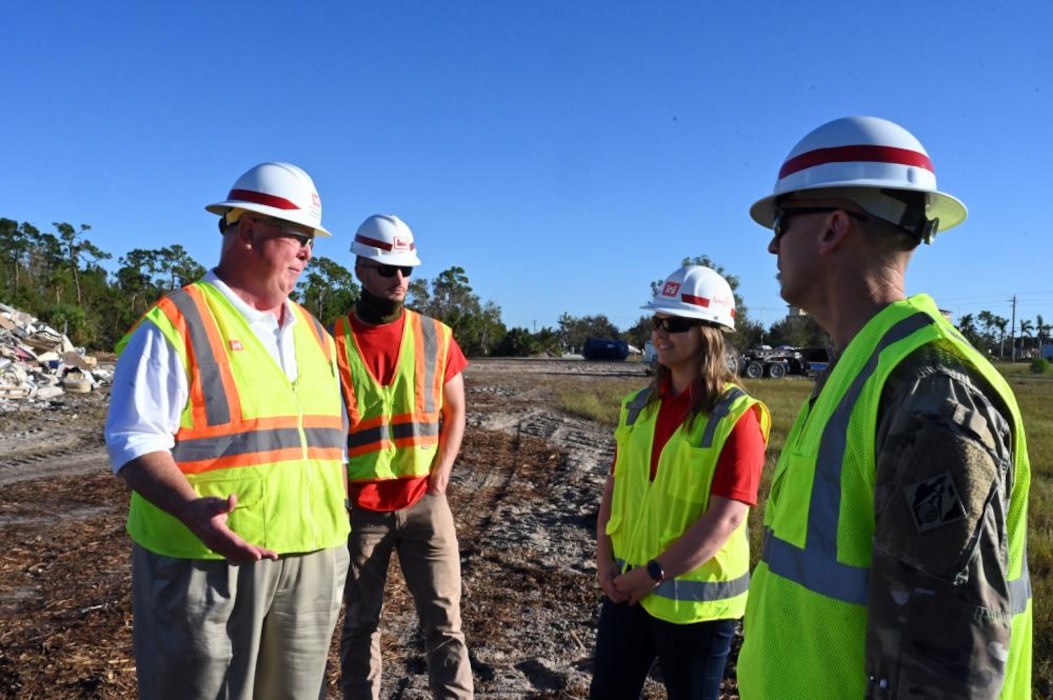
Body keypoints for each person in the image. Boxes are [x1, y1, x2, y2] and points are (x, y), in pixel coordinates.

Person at [737, 116, 1032, 699]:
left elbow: (949, 677)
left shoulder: (930, 393)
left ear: (832, 229)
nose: (771, 244)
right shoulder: (861, 366)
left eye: (781, 221)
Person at [104, 162, 351, 699]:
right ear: (247, 231)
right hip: (206, 563)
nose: (308, 252)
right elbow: (133, 439)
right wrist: (193, 511)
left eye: (312, 240)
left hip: (313, 560)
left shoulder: (314, 333)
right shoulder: (177, 322)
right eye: (299, 237)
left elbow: (331, 446)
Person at [591, 265, 771, 700]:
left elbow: (727, 518)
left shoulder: (737, 417)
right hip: (627, 589)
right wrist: (603, 558)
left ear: (710, 333)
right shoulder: (638, 407)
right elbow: (615, 487)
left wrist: (653, 573)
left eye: (676, 324)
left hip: (697, 610)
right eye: (657, 321)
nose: (660, 333)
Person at [334, 214, 473, 700]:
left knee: (445, 623)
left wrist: (440, 478)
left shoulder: (436, 335)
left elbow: (456, 412)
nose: (399, 280)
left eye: (406, 270)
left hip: (424, 505)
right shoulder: (331, 342)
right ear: (360, 269)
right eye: (386, 269)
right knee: (359, 624)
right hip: (361, 511)